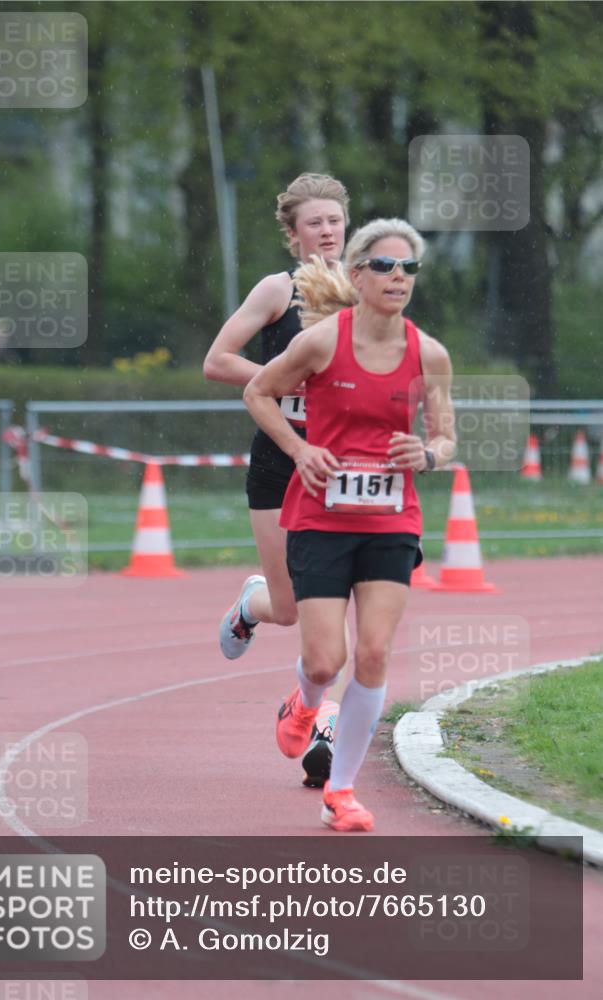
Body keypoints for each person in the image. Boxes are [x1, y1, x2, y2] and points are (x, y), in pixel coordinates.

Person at [243, 218, 456, 831]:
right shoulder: (319, 343)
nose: (398, 277)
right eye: (385, 266)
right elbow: (258, 392)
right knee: (323, 662)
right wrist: (299, 449)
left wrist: (429, 455)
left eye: (409, 267)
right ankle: (306, 701)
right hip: (321, 516)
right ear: (357, 274)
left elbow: (445, 436)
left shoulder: (429, 354)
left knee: (374, 652)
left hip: (391, 520)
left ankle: (341, 791)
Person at [203, 174, 351, 786]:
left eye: (335, 220)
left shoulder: (365, 290)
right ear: (294, 234)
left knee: (335, 605)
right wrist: (283, 376)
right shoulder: (277, 289)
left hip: (341, 465)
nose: (327, 231)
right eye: (315, 222)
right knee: (289, 609)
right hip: (278, 461)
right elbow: (217, 361)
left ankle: (321, 723)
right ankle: (251, 603)